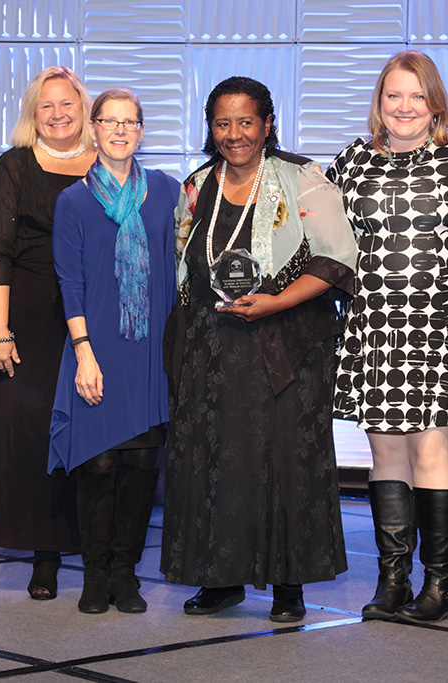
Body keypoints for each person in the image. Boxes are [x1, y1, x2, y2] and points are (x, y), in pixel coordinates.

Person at [160, 76, 357, 623]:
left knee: (286, 463)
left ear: (267, 124)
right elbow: (184, 264)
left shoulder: (303, 179)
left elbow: (337, 260)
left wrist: (274, 303)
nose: (234, 134)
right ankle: (220, 578)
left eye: (246, 121)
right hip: (211, 345)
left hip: (287, 344)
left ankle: (288, 585)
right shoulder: (197, 184)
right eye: (222, 123)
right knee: (214, 459)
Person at [327, 50, 448, 624]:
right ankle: (392, 580)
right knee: (386, 455)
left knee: (430, 452)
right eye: (394, 95)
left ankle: (440, 586)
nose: (404, 106)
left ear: (435, 103)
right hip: (374, 325)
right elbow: (323, 239)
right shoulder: (350, 163)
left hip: (442, 326)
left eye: (416, 96)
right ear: (379, 101)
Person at [48, 88, 179, 615]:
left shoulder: (169, 192)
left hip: (151, 353)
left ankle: (126, 574)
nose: (120, 130)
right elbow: (69, 282)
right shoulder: (73, 201)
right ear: (94, 129)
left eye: (131, 122)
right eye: (110, 121)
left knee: (143, 465)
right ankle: (94, 574)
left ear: (141, 131)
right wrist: (83, 353)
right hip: (96, 347)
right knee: (98, 465)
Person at [0, 66, 97, 599]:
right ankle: (44, 555)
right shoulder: (14, 167)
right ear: (33, 115)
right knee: (34, 434)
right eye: (45, 106)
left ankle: (99, 552)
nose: (57, 113)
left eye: (66, 102)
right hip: (28, 313)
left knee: (97, 436)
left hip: (98, 316)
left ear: (84, 108)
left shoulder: (113, 165)